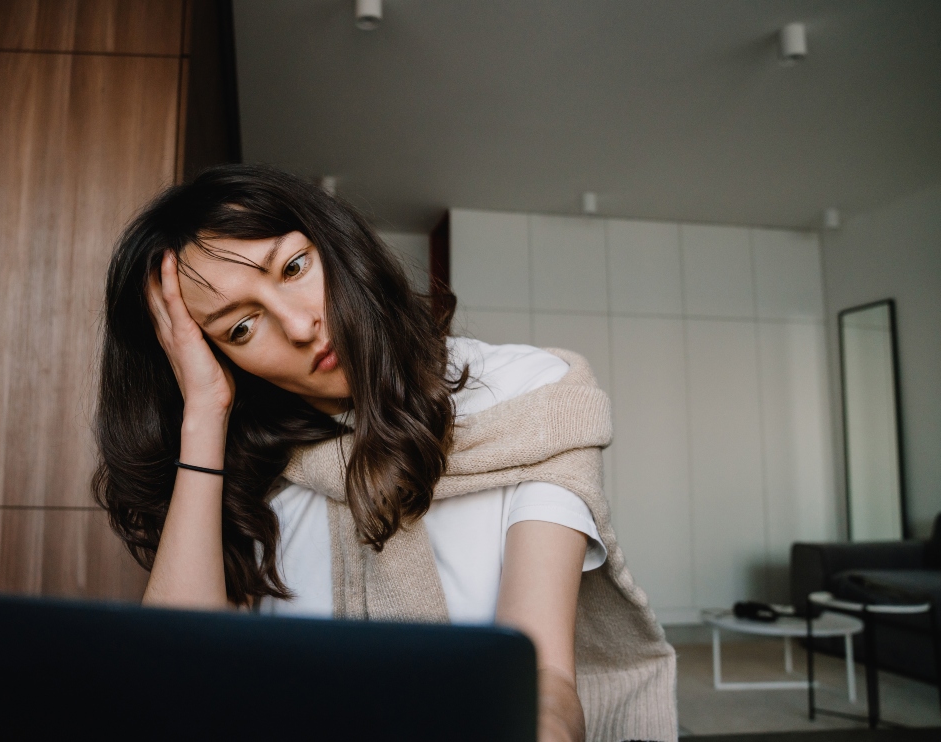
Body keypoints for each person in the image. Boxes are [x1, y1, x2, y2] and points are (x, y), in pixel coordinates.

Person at [94, 165, 676, 742]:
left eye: (295, 268)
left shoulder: (527, 394)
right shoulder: (251, 470)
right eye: (241, 328)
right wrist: (203, 412)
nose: (300, 326)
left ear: (337, 244)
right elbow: (181, 683)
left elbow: (541, 676)